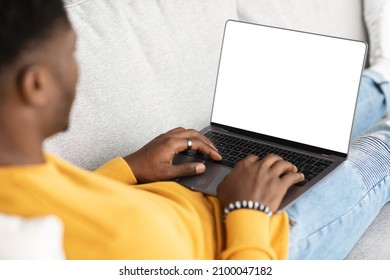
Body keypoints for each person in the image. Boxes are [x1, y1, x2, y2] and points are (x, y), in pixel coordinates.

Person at [0, 0, 388, 260]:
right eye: (70, 54)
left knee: (337, 112)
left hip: (207, 190)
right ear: (35, 85)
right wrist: (246, 210)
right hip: (269, 233)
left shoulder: (18, 171)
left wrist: (129, 169)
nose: (77, 70)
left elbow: (74, 210)